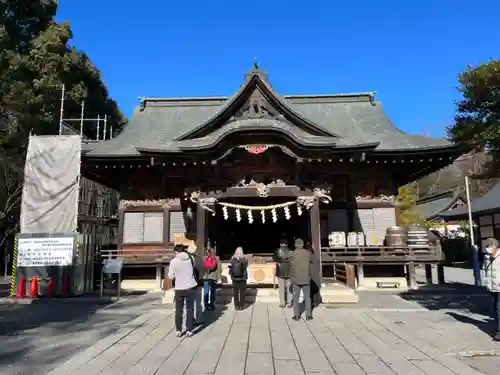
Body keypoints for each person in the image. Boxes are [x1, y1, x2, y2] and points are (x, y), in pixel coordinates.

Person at [168, 244, 198, 337]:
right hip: (190, 286)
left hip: (179, 287)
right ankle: (189, 330)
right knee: (190, 309)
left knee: (179, 309)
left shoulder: (173, 261)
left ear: (176, 251)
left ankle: (178, 330)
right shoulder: (191, 259)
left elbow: (170, 276)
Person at [290, 238, 313, 321]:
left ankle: (296, 315)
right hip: (306, 278)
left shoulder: (292, 254)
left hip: (296, 279)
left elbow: (290, 264)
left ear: (295, 245)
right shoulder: (308, 253)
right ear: (303, 245)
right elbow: (311, 262)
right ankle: (309, 315)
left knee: (296, 297)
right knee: (307, 297)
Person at [482, 238, 500, 341]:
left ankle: (499, 333)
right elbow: (484, 269)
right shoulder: (486, 257)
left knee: (499, 309)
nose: (487, 248)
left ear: (495, 246)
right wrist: (485, 282)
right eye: (486, 246)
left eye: (489, 246)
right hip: (491, 286)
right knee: (493, 309)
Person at [186, 243, 204, 325]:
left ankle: (190, 318)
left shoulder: (185, 259)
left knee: (190, 302)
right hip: (198, 283)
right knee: (198, 301)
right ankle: (198, 319)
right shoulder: (199, 259)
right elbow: (203, 270)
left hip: (187, 283)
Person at [273, 238, 292, 308]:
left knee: (281, 288)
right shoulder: (290, 251)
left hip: (280, 272)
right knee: (289, 288)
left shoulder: (277, 250)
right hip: (289, 272)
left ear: (280, 244)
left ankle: (282, 303)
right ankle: (289, 302)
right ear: (287, 244)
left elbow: (274, 258)